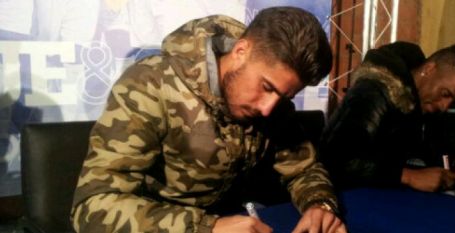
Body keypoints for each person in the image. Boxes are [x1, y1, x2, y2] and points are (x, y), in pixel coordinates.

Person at [71, 7, 347, 233]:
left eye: (285, 96)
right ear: (241, 52)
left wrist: (319, 206)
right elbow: (94, 206)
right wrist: (208, 228)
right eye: (267, 87)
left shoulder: (272, 104)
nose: (268, 109)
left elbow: (303, 168)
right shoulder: (150, 86)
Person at [319, 41, 455, 195]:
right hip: (346, 198)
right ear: (428, 70)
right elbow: (335, 160)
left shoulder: (421, 99)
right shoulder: (373, 91)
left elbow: (435, 142)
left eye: (453, 102)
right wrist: (409, 176)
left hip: (380, 196)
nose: (445, 106)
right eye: (445, 94)